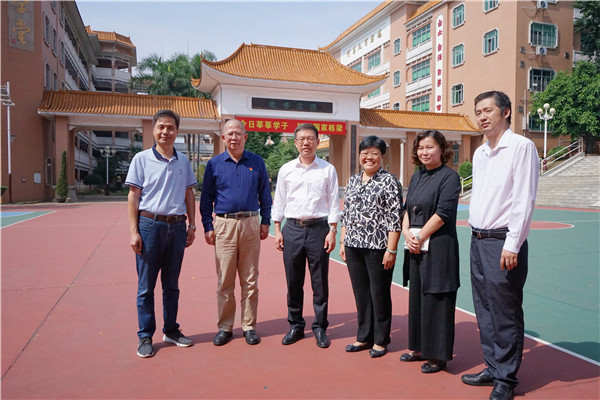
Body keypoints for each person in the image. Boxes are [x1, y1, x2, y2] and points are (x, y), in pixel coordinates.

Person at [461, 91, 538, 400]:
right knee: (485, 310)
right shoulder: (480, 153)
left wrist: (513, 244)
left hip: (502, 242)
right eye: (478, 111)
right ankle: (492, 367)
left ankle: (506, 378)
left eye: (488, 110)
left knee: (505, 311)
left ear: (505, 112)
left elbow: (524, 199)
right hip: (478, 240)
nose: (482, 116)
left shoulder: (521, 147)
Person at [126, 109, 197, 358]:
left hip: (177, 227)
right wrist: (134, 231)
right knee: (146, 287)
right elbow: (133, 195)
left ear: (177, 131)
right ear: (154, 130)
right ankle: (145, 336)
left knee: (172, 285)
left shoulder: (183, 161)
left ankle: (171, 330)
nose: (166, 132)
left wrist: (192, 225)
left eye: (171, 128)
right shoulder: (141, 159)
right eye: (161, 127)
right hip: (150, 227)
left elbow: (189, 194)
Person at [200, 119, 272, 346]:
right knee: (225, 279)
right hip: (224, 225)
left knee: (250, 279)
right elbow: (206, 198)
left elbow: (265, 194)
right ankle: (225, 326)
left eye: (238, 133)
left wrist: (266, 221)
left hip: (251, 223)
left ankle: (249, 325)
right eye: (230, 134)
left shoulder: (257, 162)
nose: (234, 137)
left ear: (245, 137)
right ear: (223, 138)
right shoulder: (214, 164)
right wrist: (207, 226)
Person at [399, 130, 461, 373]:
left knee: (437, 298)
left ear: (442, 150)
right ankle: (418, 347)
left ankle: (437, 355)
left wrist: (420, 236)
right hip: (416, 247)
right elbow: (407, 209)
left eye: (430, 147)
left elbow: (443, 213)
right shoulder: (417, 176)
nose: (424, 152)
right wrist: (406, 232)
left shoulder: (450, 177)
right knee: (418, 297)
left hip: (439, 248)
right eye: (421, 147)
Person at [272, 123, 339, 349]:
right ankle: (296, 325)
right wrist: (277, 229)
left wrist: (332, 231)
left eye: (310, 138)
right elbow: (279, 200)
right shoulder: (286, 169)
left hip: (319, 229)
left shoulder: (327, 169)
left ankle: (320, 327)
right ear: (295, 143)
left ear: (318, 141)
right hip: (292, 229)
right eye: (301, 139)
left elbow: (333, 202)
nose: (306, 143)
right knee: (294, 281)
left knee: (319, 282)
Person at [339, 135, 402, 358]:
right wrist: (343, 241)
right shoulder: (354, 181)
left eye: (374, 153)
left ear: (381, 157)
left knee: (379, 293)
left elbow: (395, 218)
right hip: (353, 245)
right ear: (359, 155)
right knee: (361, 293)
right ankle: (364, 335)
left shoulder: (389, 181)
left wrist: (391, 250)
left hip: (378, 246)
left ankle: (381, 339)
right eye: (365, 153)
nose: (369, 157)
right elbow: (347, 214)